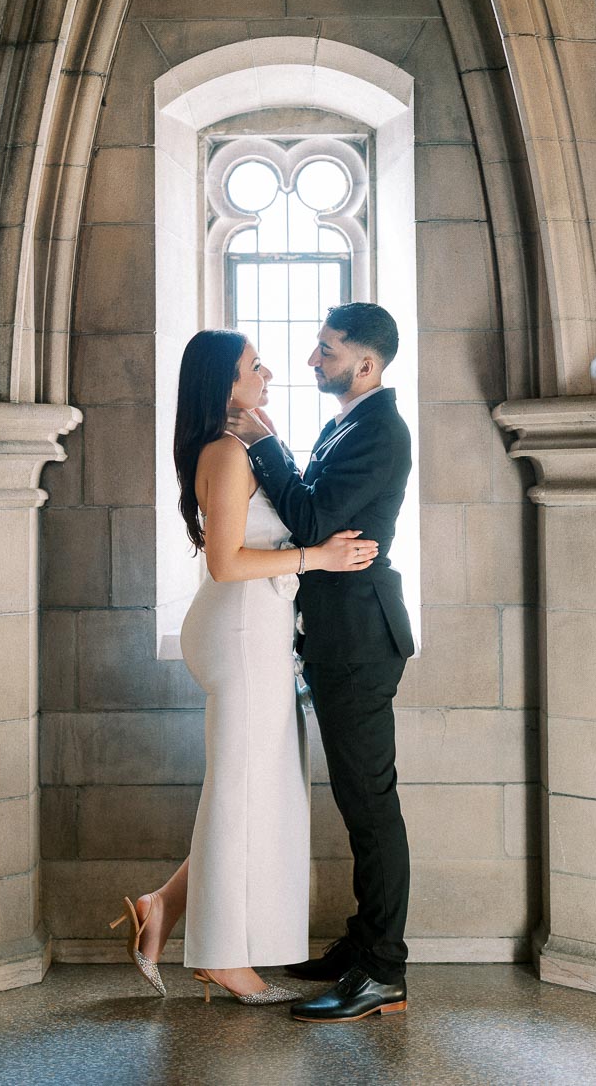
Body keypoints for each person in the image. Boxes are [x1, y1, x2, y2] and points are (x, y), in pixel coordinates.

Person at [110, 329, 378, 1004]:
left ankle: (162, 906)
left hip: (255, 632)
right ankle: (223, 957)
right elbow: (226, 562)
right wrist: (317, 559)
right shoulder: (227, 455)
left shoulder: (241, 445)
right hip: (238, 631)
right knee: (239, 795)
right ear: (222, 386)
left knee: (254, 793)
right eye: (252, 366)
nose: (267, 372)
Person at [227, 302, 413, 1024]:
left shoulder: (379, 431)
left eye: (326, 350)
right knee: (358, 801)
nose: (311, 361)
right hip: (339, 634)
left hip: (362, 638)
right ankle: (361, 945)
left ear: (364, 364)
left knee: (370, 808)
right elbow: (314, 511)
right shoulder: (348, 422)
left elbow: (309, 521)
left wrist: (266, 443)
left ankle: (383, 972)